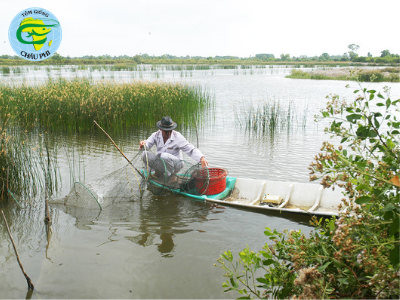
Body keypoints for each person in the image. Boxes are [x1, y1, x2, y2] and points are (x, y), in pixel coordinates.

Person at [139, 116, 208, 181]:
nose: (168, 133)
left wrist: (201, 157)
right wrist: (143, 144)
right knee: (145, 154)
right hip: (163, 162)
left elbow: (190, 149)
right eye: (166, 131)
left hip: (177, 164)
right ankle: (158, 172)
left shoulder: (177, 136)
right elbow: (148, 143)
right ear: (161, 129)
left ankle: (173, 175)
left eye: (170, 130)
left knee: (164, 156)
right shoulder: (156, 135)